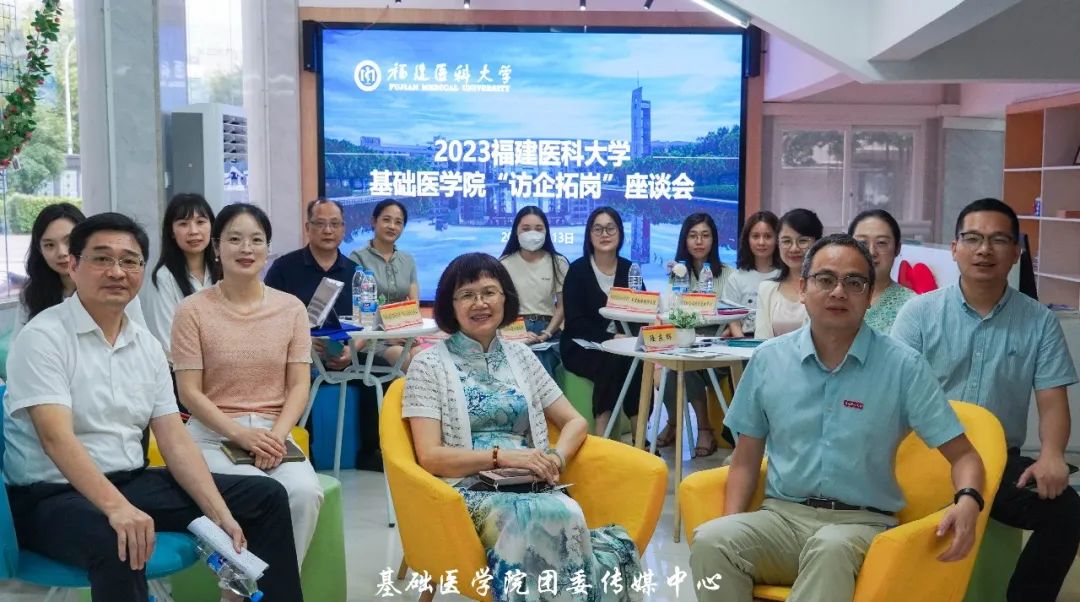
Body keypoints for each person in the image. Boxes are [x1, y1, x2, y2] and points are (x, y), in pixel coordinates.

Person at [3, 212, 302, 601]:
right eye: (102, 258)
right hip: (50, 494)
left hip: (130, 481)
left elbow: (175, 440)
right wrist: (117, 508)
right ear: (73, 266)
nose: (117, 271)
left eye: (130, 261)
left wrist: (220, 513)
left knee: (265, 497)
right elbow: (56, 439)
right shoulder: (43, 337)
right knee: (120, 538)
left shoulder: (145, 346)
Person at [690, 234, 986, 602]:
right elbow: (745, 461)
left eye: (854, 282)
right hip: (781, 519)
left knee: (830, 549)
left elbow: (965, 456)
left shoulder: (903, 366)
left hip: (860, 524)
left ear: (869, 294)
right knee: (712, 541)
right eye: (825, 279)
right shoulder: (768, 360)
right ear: (803, 288)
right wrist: (732, 521)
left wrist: (968, 500)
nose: (839, 292)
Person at [403, 252, 642, 602]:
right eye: (467, 295)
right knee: (540, 515)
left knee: (566, 513)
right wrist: (501, 457)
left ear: (506, 298)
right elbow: (430, 457)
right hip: (465, 488)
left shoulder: (522, 357)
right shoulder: (427, 364)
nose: (480, 303)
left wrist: (555, 458)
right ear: (450, 306)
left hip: (531, 479)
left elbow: (575, 421)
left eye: (489, 292)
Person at [892, 198, 1080, 602]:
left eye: (998, 240)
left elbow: (1051, 401)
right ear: (955, 248)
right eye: (973, 238)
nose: (984, 250)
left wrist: (1051, 455)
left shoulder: (1039, 321)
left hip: (997, 464)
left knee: (1066, 509)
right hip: (925, 454)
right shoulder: (918, 314)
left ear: (1015, 253)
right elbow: (892, 394)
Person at [171, 203, 324, 566]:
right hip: (213, 435)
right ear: (216, 247)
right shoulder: (192, 310)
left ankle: (273, 585)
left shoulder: (291, 309)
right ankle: (242, 585)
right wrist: (241, 435)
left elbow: (299, 385)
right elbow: (189, 391)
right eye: (235, 239)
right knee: (256, 493)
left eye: (256, 240)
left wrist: (276, 437)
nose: (246, 249)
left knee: (305, 492)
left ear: (268, 248)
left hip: (273, 434)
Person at [265, 198, 383, 472]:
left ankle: (371, 452)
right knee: (296, 378)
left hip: (346, 352)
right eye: (320, 223)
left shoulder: (357, 274)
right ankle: (305, 454)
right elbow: (268, 317)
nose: (328, 230)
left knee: (384, 374)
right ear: (308, 227)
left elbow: (369, 322)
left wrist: (352, 350)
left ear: (343, 228)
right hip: (300, 355)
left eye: (334, 224)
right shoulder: (284, 268)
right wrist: (304, 342)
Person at [560, 207, 646, 439]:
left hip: (622, 343)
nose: (604, 234)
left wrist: (628, 339)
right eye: (598, 229)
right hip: (581, 346)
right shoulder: (578, 270)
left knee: (635, 361)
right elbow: (575, 322)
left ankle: (640, 437)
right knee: (611, 358)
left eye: (610, 228)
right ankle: (602, 432)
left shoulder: (630, 269)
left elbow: (642, 311)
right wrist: (610, 338)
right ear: (589, 235)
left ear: (620, 233)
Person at [656, 213, 735, 457]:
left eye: (705, 235)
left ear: (714, 239)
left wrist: (720, 336)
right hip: (687, 341)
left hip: (719, 345)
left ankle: (703, 429)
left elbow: (736, 318)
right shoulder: (679, 273)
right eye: (693, 236)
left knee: (686, 364)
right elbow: (669, 311)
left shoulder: (729, 274)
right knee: (672, 363)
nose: (699, 241)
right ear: (685, 240)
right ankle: (674, 422)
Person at [13, 203, 147, 341]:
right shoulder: (32, 295)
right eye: (49, 245)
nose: (61, 252)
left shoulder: (116, 290)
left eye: (69, 242)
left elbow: (140, 341)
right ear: (40, 250)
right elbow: (18, 344)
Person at [144, 193, 219, 357]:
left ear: (212, 226)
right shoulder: (163, 278)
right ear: (171, 231)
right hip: (183, 369)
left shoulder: (225, 273)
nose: (193, 231)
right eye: (183, 224)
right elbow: (167, 342)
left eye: (200, 222)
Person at [349, 199, 420, 371]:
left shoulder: (408, 260)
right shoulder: (357, 258)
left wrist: (406, 334)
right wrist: (386, 334)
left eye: (398, 222)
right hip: (369, 337)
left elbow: (414, 304)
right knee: (400, 356)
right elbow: (359, 309)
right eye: (386, 220)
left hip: (402, 333)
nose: (392, 226)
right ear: (374, 221)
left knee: (422, 356)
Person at [499, 206, 569, 378]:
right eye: (526, 228)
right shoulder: (504, 263)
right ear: (516, 231)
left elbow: (562, 306)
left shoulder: (558, 262)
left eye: (538, 228)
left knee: (540, 358)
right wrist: (516, 334)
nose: (532, 233)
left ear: (546, 232)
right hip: (514, 327)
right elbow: (499, 306)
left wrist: (546, 334)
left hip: (548, 329)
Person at [755, 209, 822, 338]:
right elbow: (762, 340)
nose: (794, 248)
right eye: (786, 241)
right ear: (778, 244)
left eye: (802, 241)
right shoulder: (766, 289)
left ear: (817, 242)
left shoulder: (827, 287)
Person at [847, 209, 915, 333]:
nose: (871, 252)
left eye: (881, 243)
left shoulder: (912, 306)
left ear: (897, 249)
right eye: (862, 243)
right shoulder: (832, 295)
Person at [721, 210, 781, 338]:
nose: (761, 242)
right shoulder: (736, 278)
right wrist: (743, 344)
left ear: (777, 239)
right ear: (747, 239)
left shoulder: (785, 276)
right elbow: (733, 321)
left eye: (768, 236)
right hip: (744, 340)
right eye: (755, 236)